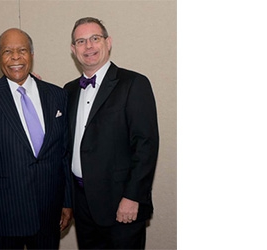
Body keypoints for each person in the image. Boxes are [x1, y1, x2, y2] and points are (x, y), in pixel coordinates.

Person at [0, 28, 73, 249]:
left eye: (22, 50)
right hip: (3, 214)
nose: (15, 57)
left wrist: (67, 201)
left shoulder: (57, 96)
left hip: (49, 212)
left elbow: (64, 153)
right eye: (7, 51)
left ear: (32, 55)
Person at [64, 17, 160, 249]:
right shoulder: (68, 91)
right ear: (73, 49)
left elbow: (146, 146)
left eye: (95, 38)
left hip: (121, 203)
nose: (88, 46)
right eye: (81, 41)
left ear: (108, 42)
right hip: (82, 205)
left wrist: (132, 197)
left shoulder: (133, 83)